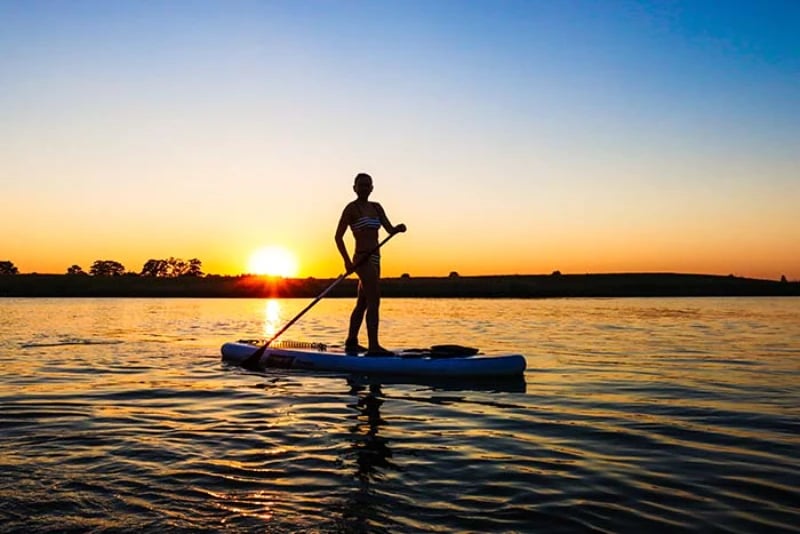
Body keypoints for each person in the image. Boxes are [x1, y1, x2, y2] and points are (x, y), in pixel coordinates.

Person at [335, 172, 406, 356]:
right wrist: (347, 262)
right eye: (361, 185)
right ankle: (373, 347)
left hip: (375, 259)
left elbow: (389, 229)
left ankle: (351, 342)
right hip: (361, 259)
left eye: (368, 185)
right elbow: (338, 237)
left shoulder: (377, 207)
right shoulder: (351, 209)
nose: (365, 188)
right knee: (375, 299)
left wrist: (397, 229)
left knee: (363, 302)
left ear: (372, 188)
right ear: (354, 188)